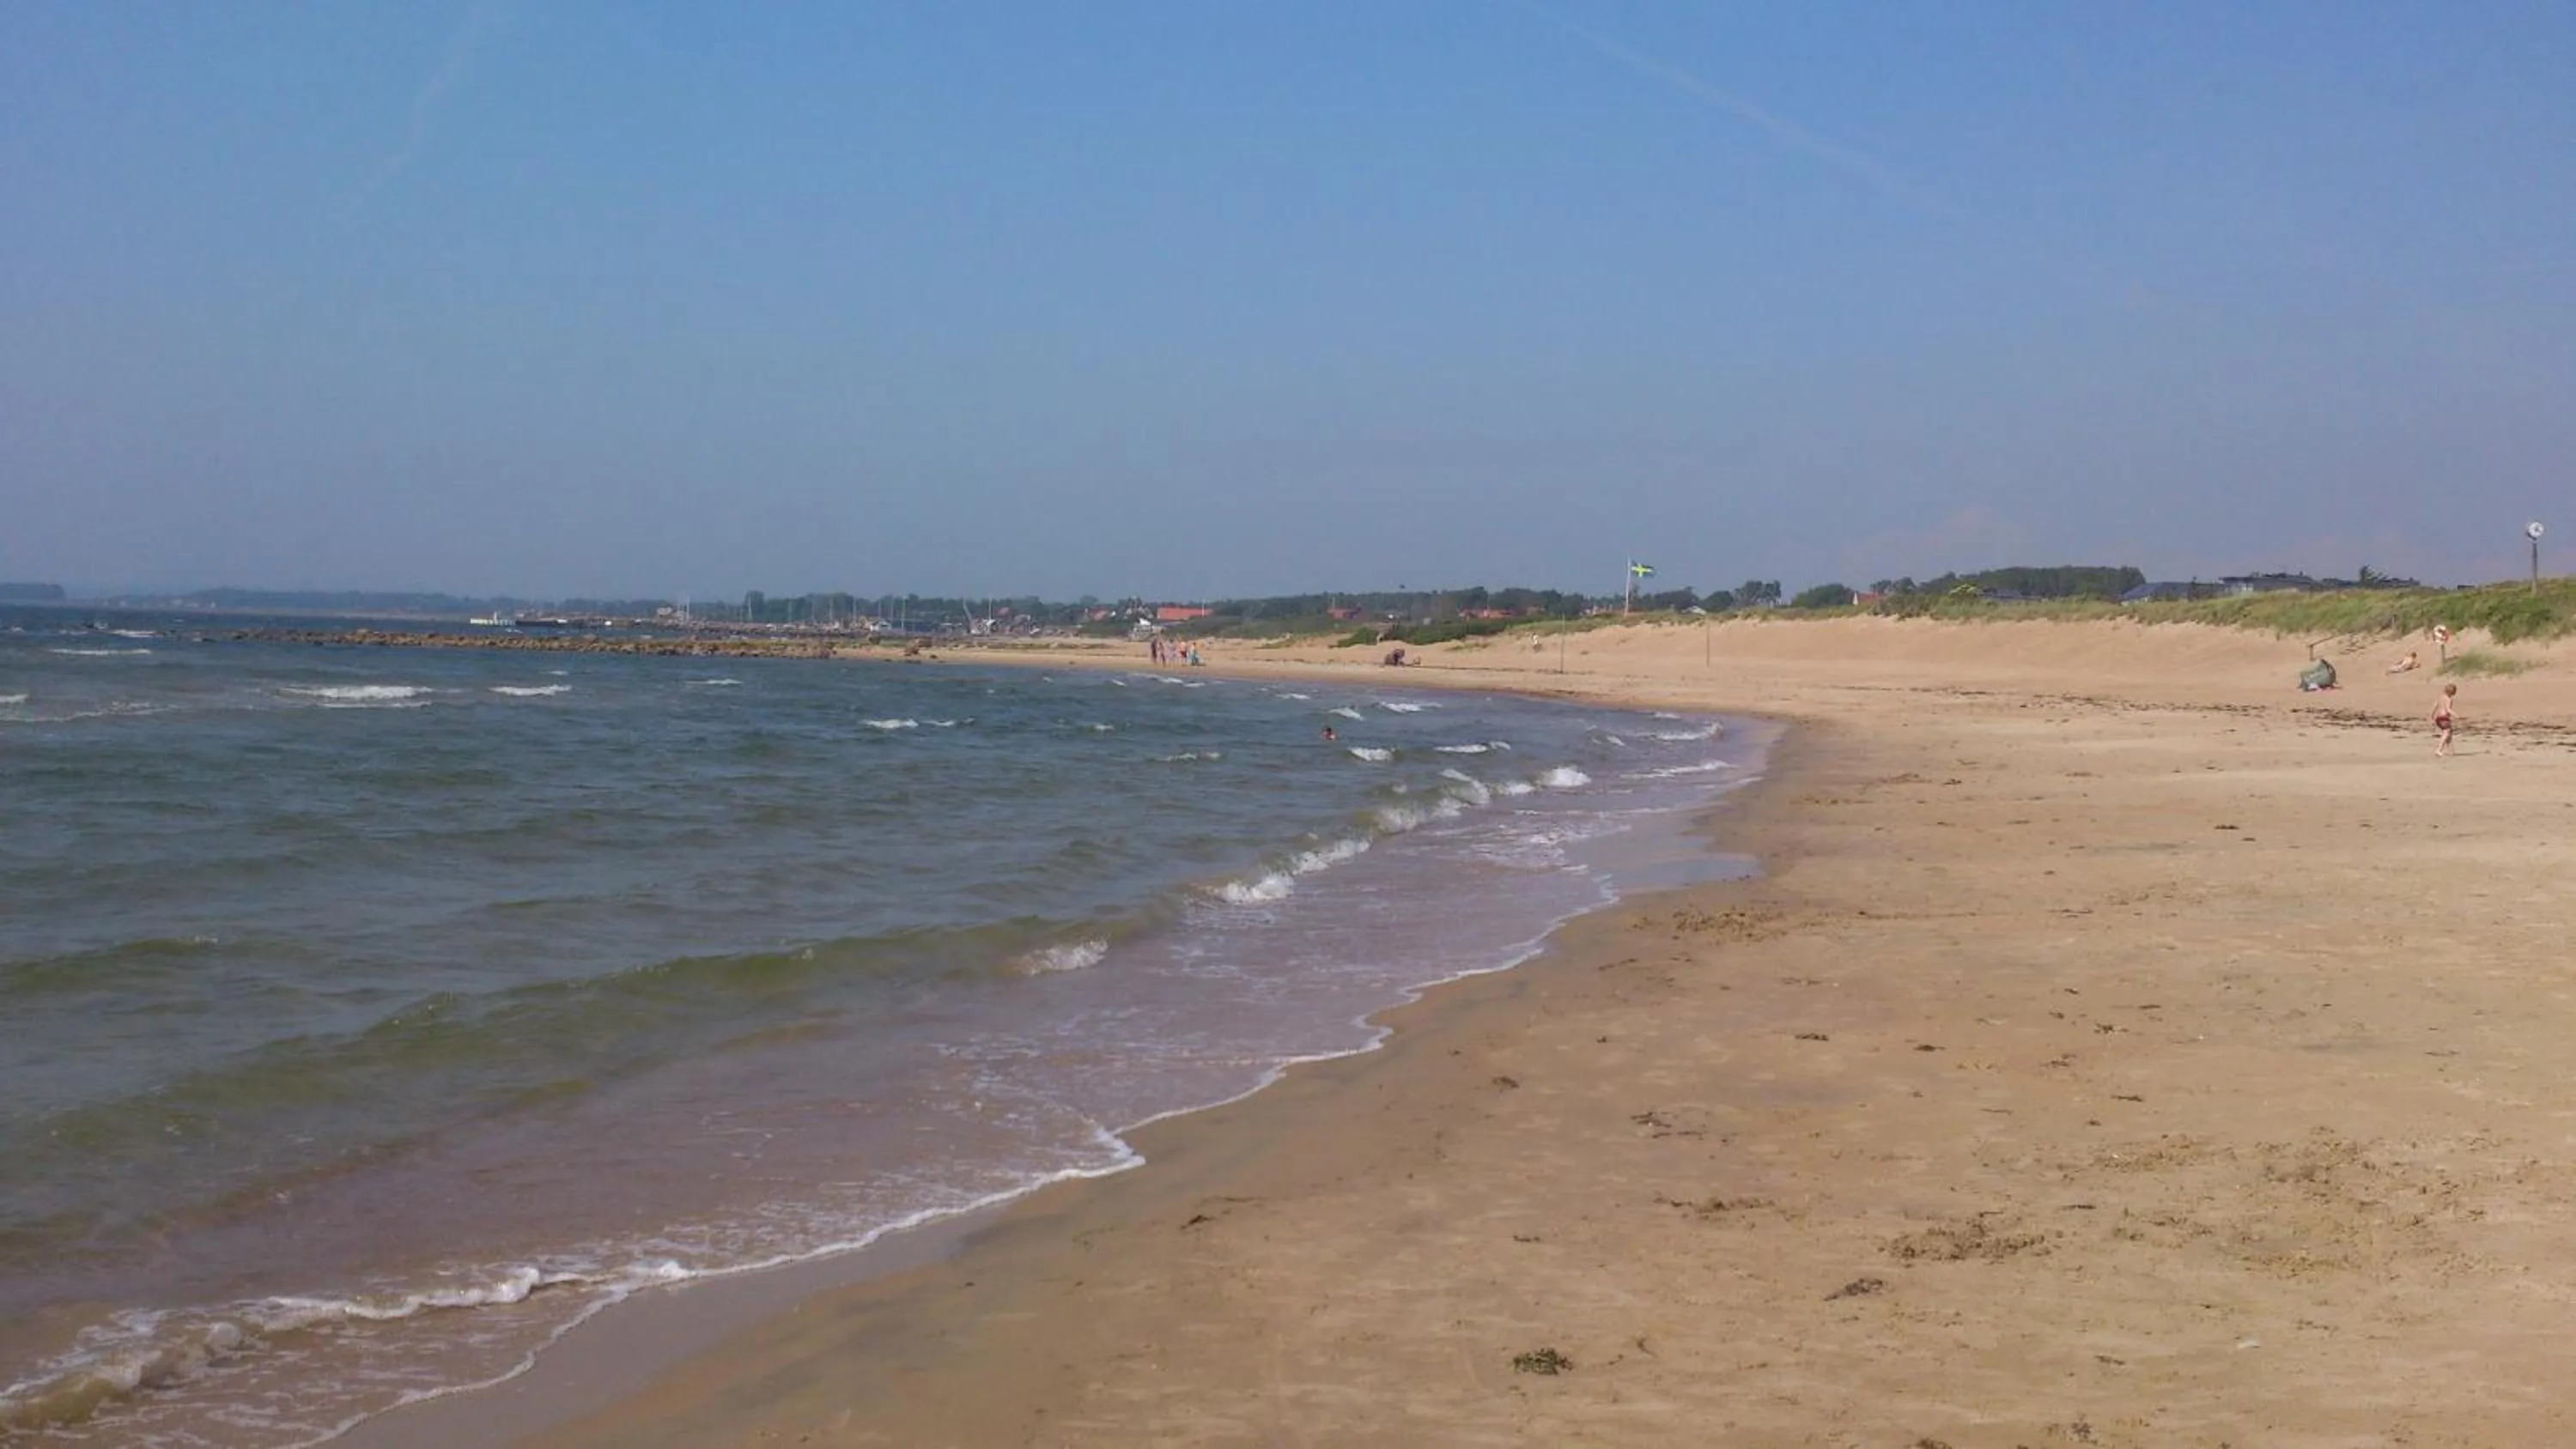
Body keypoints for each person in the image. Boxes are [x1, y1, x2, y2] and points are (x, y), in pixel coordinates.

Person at [2434, 682, 2458, 757]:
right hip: (2444, 718)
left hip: (2438, 718)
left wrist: (2432, 716)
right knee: (2446, 733)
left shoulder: (2441, 698)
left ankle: (2450, 751)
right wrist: (2456, 715)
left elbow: (2435, 706)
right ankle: (2439, 750)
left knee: (2449, 733)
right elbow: (2448, 710)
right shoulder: (2448, 699)